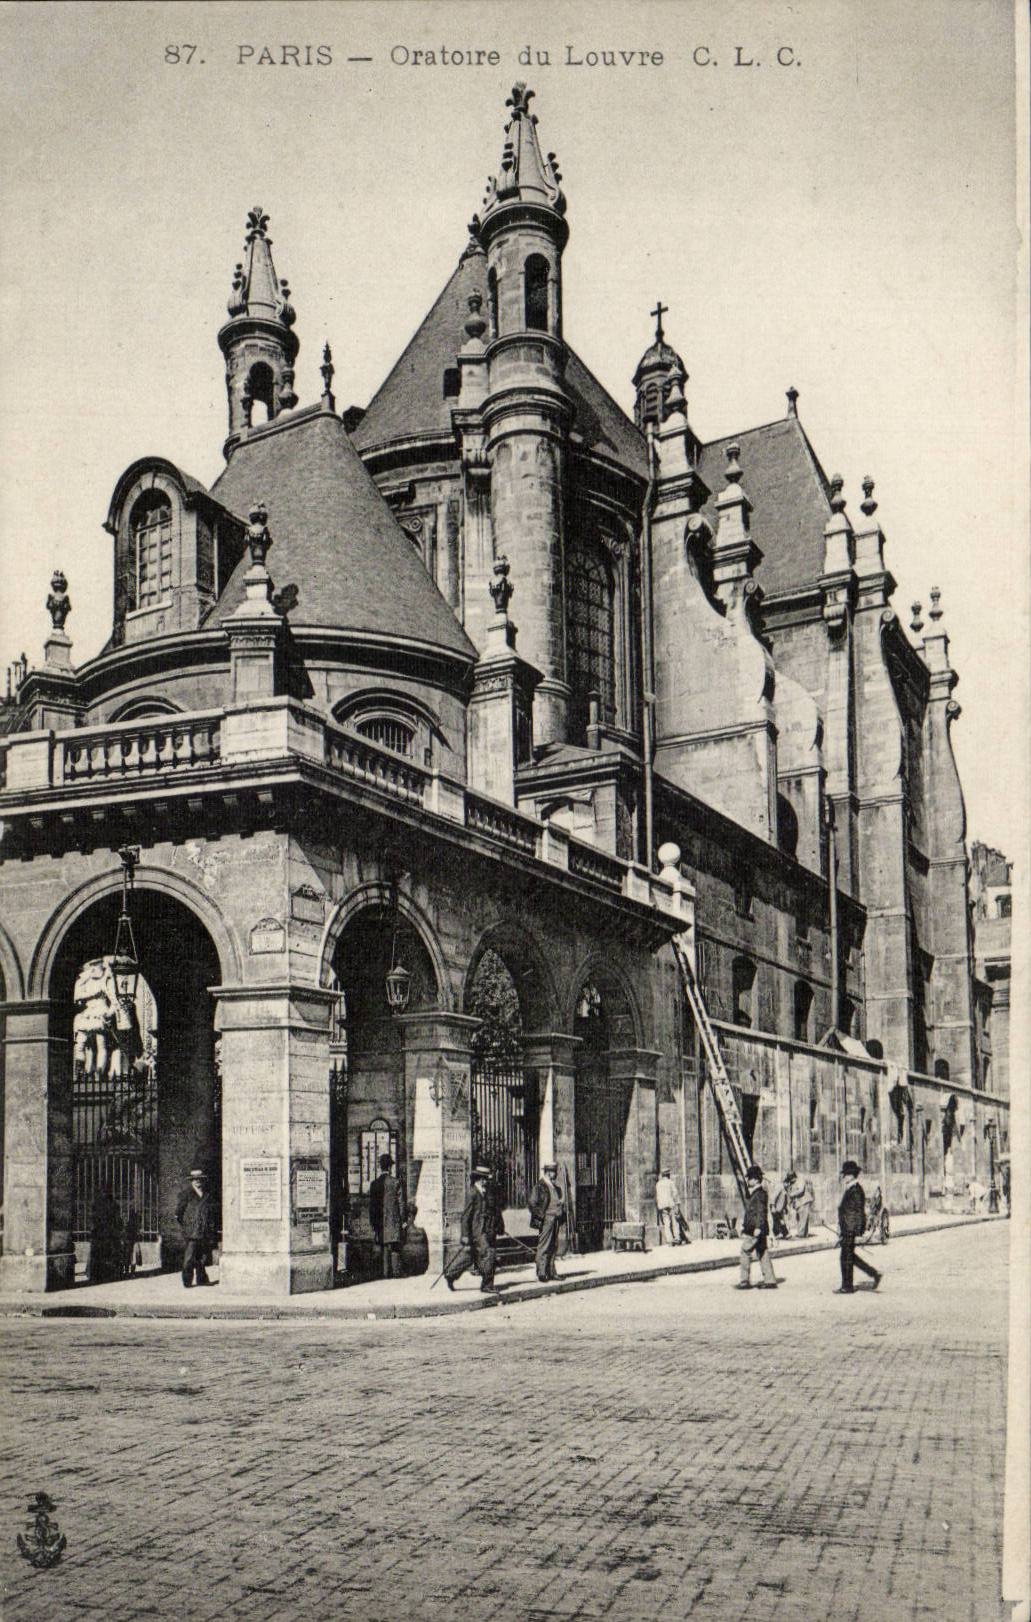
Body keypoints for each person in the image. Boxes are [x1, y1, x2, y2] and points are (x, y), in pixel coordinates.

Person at [443, 1167, 498, 1293]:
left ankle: (451, 1274)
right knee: (489, 1254)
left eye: (486, 1178)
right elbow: (466, 1216)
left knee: (470, 1256)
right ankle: (487, 1285)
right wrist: (465, 1235)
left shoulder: (484, 1192)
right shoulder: (472, 1193)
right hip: (477, 1232)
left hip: (485, 1230)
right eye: (483, 1178)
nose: (485, 1181)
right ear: (478, 1179)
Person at [836, 1160, 882, 1294]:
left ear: (851, 1176)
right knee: (850, 1256)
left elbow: (855, 1213)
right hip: (848, 1227)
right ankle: (874, 1274)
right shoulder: (852, 1189)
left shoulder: (855, 1190)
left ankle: (847, 1286)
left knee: (846, 1257)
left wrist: (848, 1230)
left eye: (845, 1175)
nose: (843, 1177)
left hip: (849, 1228)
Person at [735, 1164, 779, 1289]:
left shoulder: (759, 1194)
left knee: (745, 1251)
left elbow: (761, 1212)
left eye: (749, 1178)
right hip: (757, 1229)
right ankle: (770, 1280)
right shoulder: (758, 1193)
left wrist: (758, 1228)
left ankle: (744, 1281)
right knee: (762, 1252)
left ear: (755, 1179)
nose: (748, 1180)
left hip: (755, 1229)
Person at [528, 1161, 568, 1282]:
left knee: (553, 1246)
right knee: (544, 1246)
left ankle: (551, 1272)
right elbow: (532, 1203)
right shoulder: (540, 1186)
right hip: (546, 1220)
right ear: (547, 1172)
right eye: (552, 1171)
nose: (555, 1174)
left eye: (555, 1171)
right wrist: (542, 1216)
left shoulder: (555, 1187)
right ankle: (541, 1272)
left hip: (555, 1220)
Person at [368, 1153, 406, 1279]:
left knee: (384, 1247)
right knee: (395, 1247)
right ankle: (396, 1273)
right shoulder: (396, 1182)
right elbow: (401, 1203)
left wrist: (373, 1223)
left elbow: (372, 1206)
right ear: (390, 1167)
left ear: (380, 1167)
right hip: (393, 1221)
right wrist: (403, 1220)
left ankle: (385, 1274)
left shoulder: (374, 1184)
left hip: (379, 1222)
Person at [176, 1169, 213, 1288]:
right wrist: (187, 1226)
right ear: (191, 1181)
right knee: (189, 1257)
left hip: (204, 1230)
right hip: (191, 1231)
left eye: (200, 1179)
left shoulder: (207, 1194)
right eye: (195, 1179)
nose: (198, 1181)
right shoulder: (186, 1194)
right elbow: (178, 1213)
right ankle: (187, 1281)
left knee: (202, 1257)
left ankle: (201, 1279)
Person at [89, 1185, 123, 1284]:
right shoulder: (114, 1204)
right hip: (108, 1234)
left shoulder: (96, 1204)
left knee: (99, 1256)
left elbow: (93, 1219)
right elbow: (117, 1220)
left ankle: (97, 1275)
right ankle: (109, 1274)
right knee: (108, 1255)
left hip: (100, 1234)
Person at [655, 1167, 686, 1247]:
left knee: (666, 1223)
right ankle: (677, 1238)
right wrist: (677, 1204)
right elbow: (675, 1194)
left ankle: (670, 1241)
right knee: (675, 1222)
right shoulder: (671, 1182)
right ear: (668, 1174)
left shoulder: (658, 1184)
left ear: (662, 1175)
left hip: (662, 1205)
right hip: (671, 1204)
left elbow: (658, 1196)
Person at [399, 1201, 429, 1277]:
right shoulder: (421, 1231)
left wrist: (404, 1225)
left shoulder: (404, 1229)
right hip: (422, 1266)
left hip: (409, 1266)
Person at [789, 1170, 815, 1238]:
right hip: (800, 1202)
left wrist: (792, 1194)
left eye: (791, 1179)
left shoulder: (800, 1180)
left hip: (804, 1201)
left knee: (803, 1218)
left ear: (793, 1177)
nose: (791, 1181)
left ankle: (801, 1234)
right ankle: (803, 1233)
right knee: (800, 1218)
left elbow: (801, 1190)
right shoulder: (794, 1183)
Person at [771, 1175, 791, 1239]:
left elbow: (784, 1199)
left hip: (780, 1208)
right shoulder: (779, 1187)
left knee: (777, 1221)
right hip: (775, 1207)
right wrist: (773, 1206)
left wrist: (785, 1208)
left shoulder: (784, 1188)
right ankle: (785, 1233)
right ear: (785, 1182)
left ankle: (778, 1234)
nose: (788, 1186)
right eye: (788, 1184)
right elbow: (773, 1197)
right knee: (780, 1221)